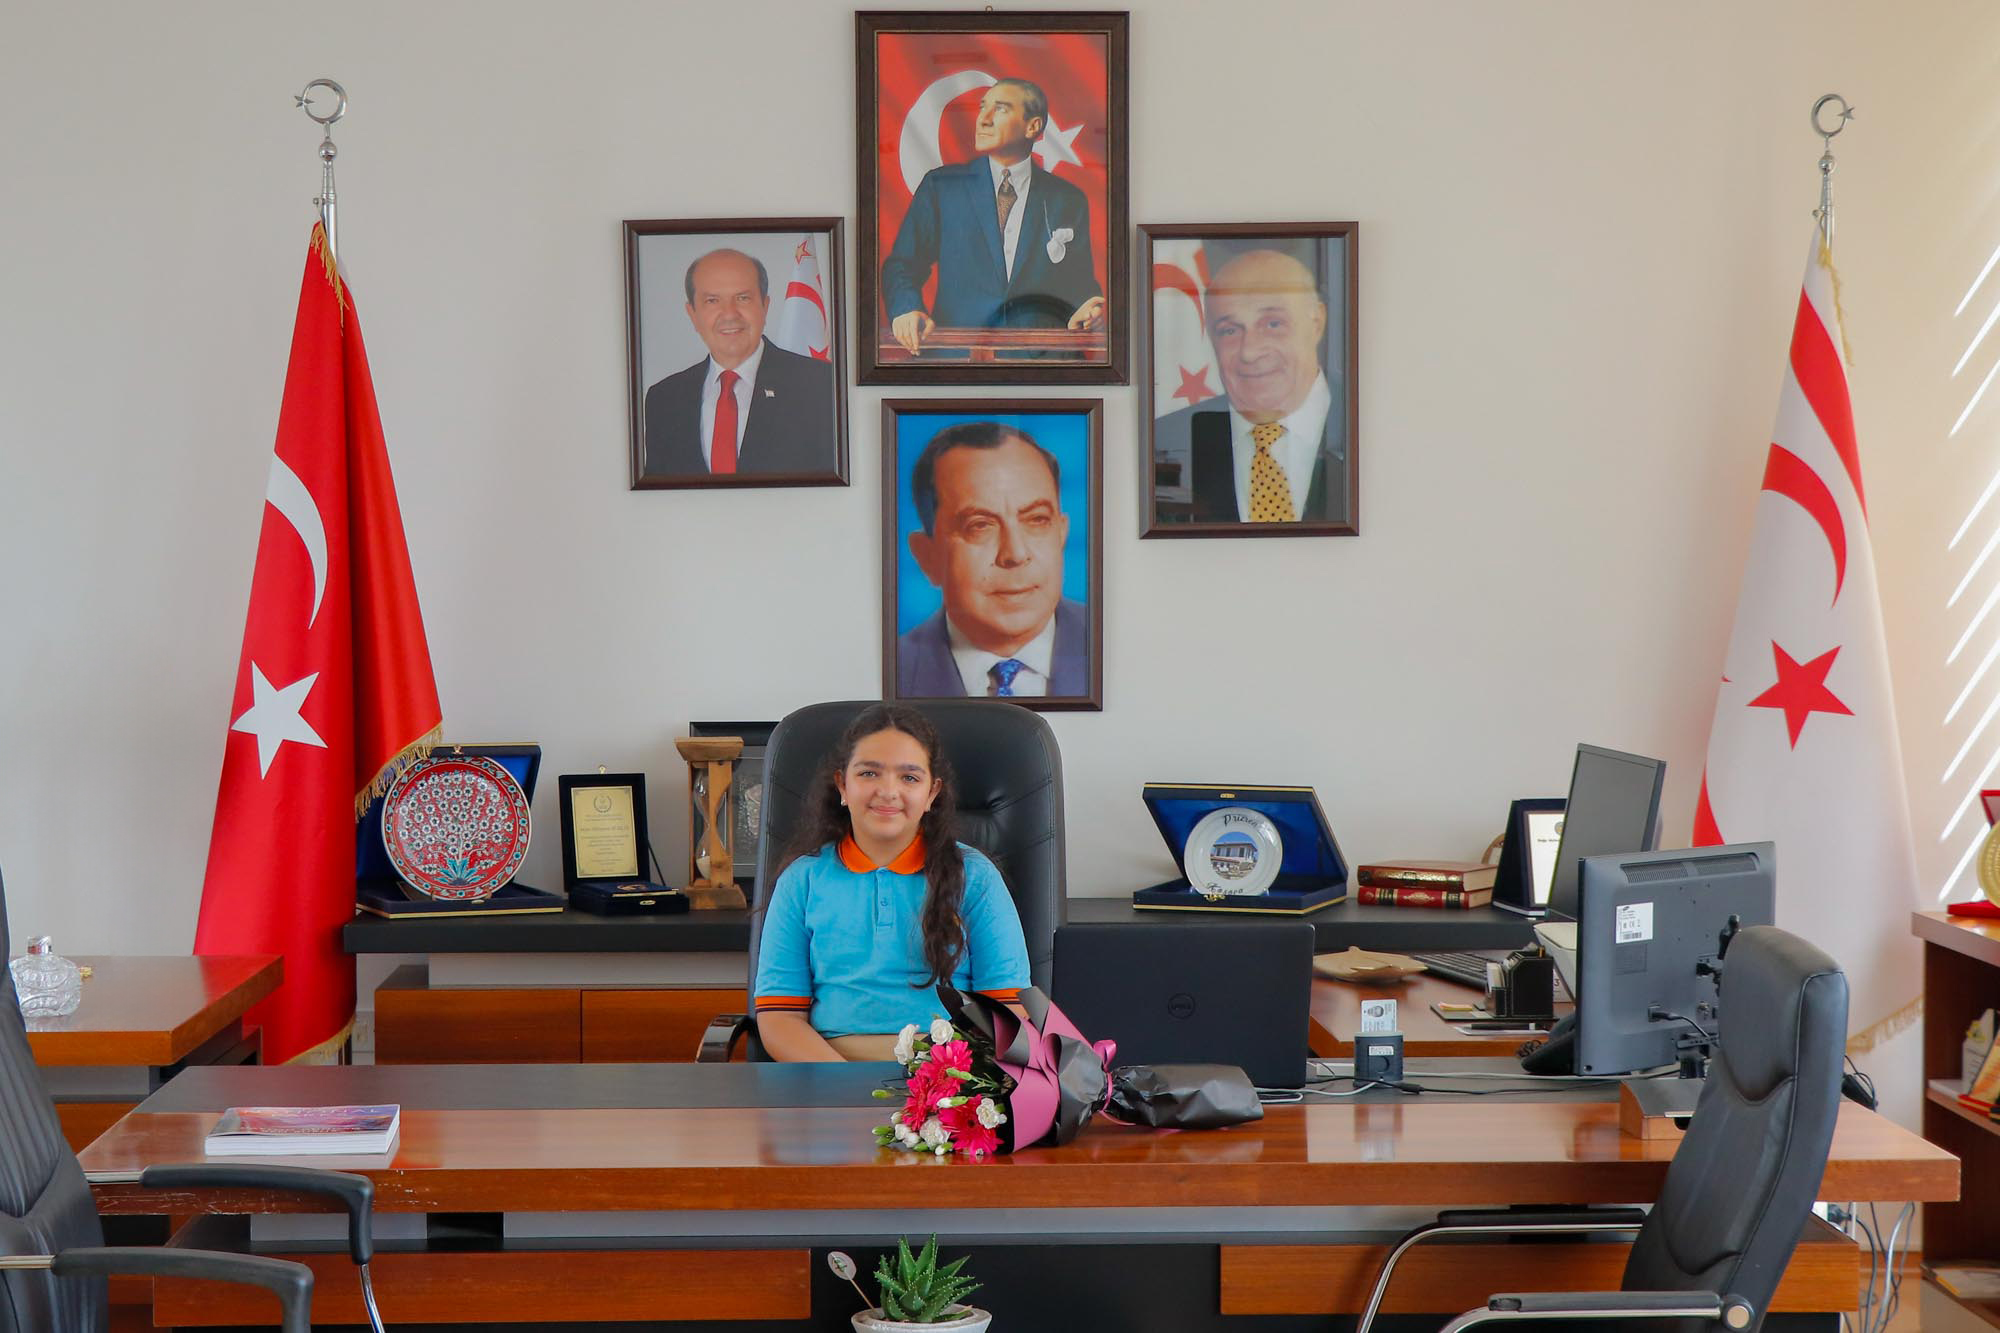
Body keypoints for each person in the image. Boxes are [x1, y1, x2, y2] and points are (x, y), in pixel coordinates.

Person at [753, 704, 1031, 1062]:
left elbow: (1008, 1015)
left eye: (909, 778)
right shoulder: (801, 880)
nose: (888, 791)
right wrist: (839, 1082)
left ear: (932, 793)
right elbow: (780, 1018)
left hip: (949, 1076)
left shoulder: (976, 877)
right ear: (842, 785)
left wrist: (938, 1082)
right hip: (824, 1072)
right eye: (869, 773)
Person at [880, 78, 1107, 354]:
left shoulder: (1067, 199)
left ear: (1033, 126)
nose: (983, 119)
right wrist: (906, 309)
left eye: (1000, 109)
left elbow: (1079, 283)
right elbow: (902, 265)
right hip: (955, 360)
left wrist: (1090, 307)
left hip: (1042, 363)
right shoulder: (941, 188)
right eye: (982, 107)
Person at [1152, 248, 1350, 524]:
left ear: (1316, 322)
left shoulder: (1380, 425)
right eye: (1230, 330)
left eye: (1272, 324)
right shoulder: (1163, 442)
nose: (1250, 352)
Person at [897, 422, 1088, 699]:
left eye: (1037, 520)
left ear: (1062, 535)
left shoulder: (1126, 647)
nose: (1015, 554)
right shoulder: (895, 669)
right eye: (980, 526)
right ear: (927, 556)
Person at [642, 248, 835, 478]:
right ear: (692, 314)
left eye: (743, 298)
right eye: (712, 301)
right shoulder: (663, 400)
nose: (729, 314)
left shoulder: (821, 386)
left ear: (765, 306)